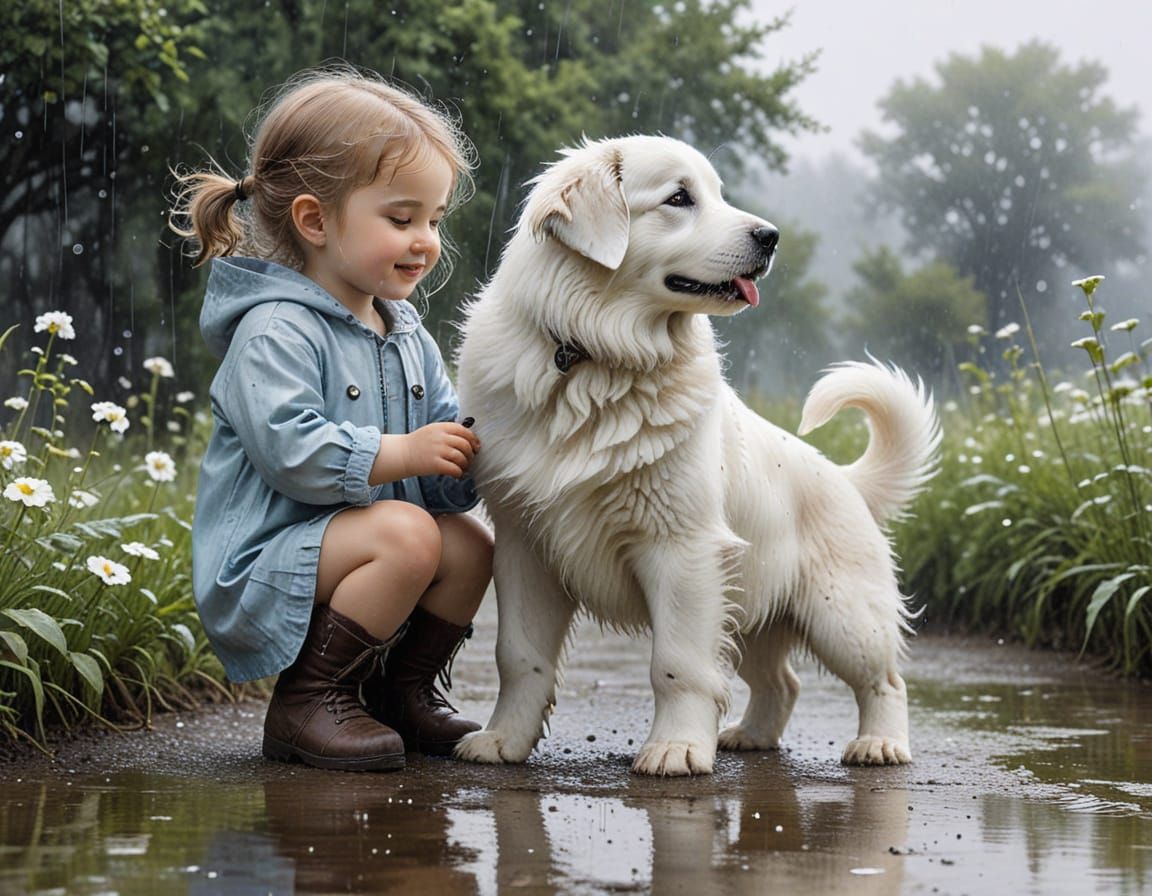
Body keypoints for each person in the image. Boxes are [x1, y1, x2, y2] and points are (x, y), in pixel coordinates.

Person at [170, 67, 493, 772]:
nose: (425, 241)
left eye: (434, 221)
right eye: (401, 219)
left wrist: (479, 448)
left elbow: (440, 461)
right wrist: (407, 452)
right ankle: (309, 699)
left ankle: (397, 694)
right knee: (408, 534)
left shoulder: (407, 334)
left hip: (358, 548)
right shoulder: (275, 331)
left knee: (468, 541)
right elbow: (293, 453)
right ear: (315, 220)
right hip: (264, 562)